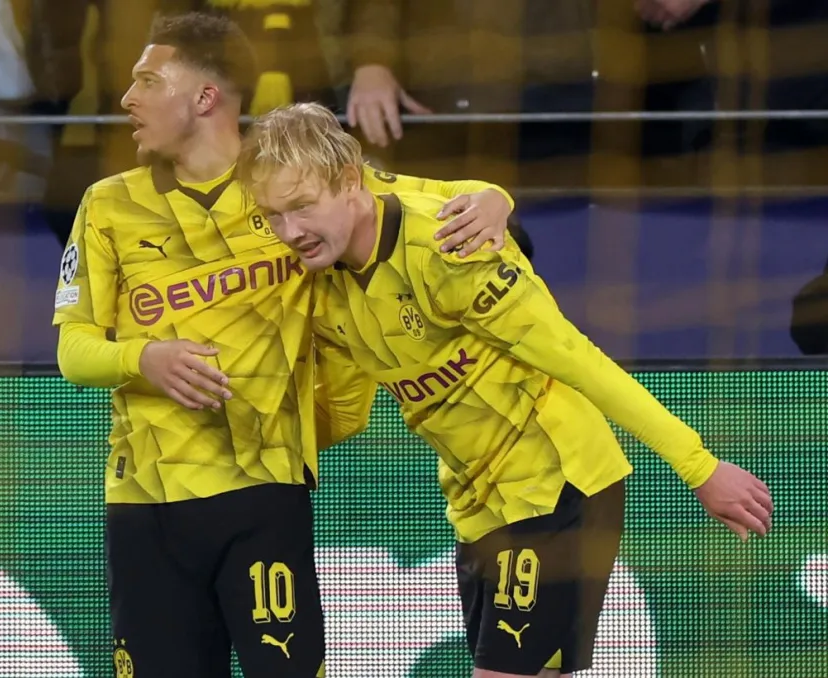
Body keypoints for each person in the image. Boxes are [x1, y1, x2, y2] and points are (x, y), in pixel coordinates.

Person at [234, 102, 775, 678]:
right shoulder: (322, 283)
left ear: (350, 181)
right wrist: (251, 453)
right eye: (272, 216)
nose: (289, 232)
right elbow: (346, 411)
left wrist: (699, 466)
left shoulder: (451, 249)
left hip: (554, 479)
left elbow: (577, 359)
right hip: (477, 506)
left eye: (302, 207)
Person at [51, 12, 515, 678]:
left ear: (205, 96)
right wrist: (143, 358)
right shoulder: (107, 205)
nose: (127, 98)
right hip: (145, 506)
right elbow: (73, 351)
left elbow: (454, 198)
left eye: (148, 81)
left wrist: (496, 198)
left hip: (265, 499)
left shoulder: (296, 187)